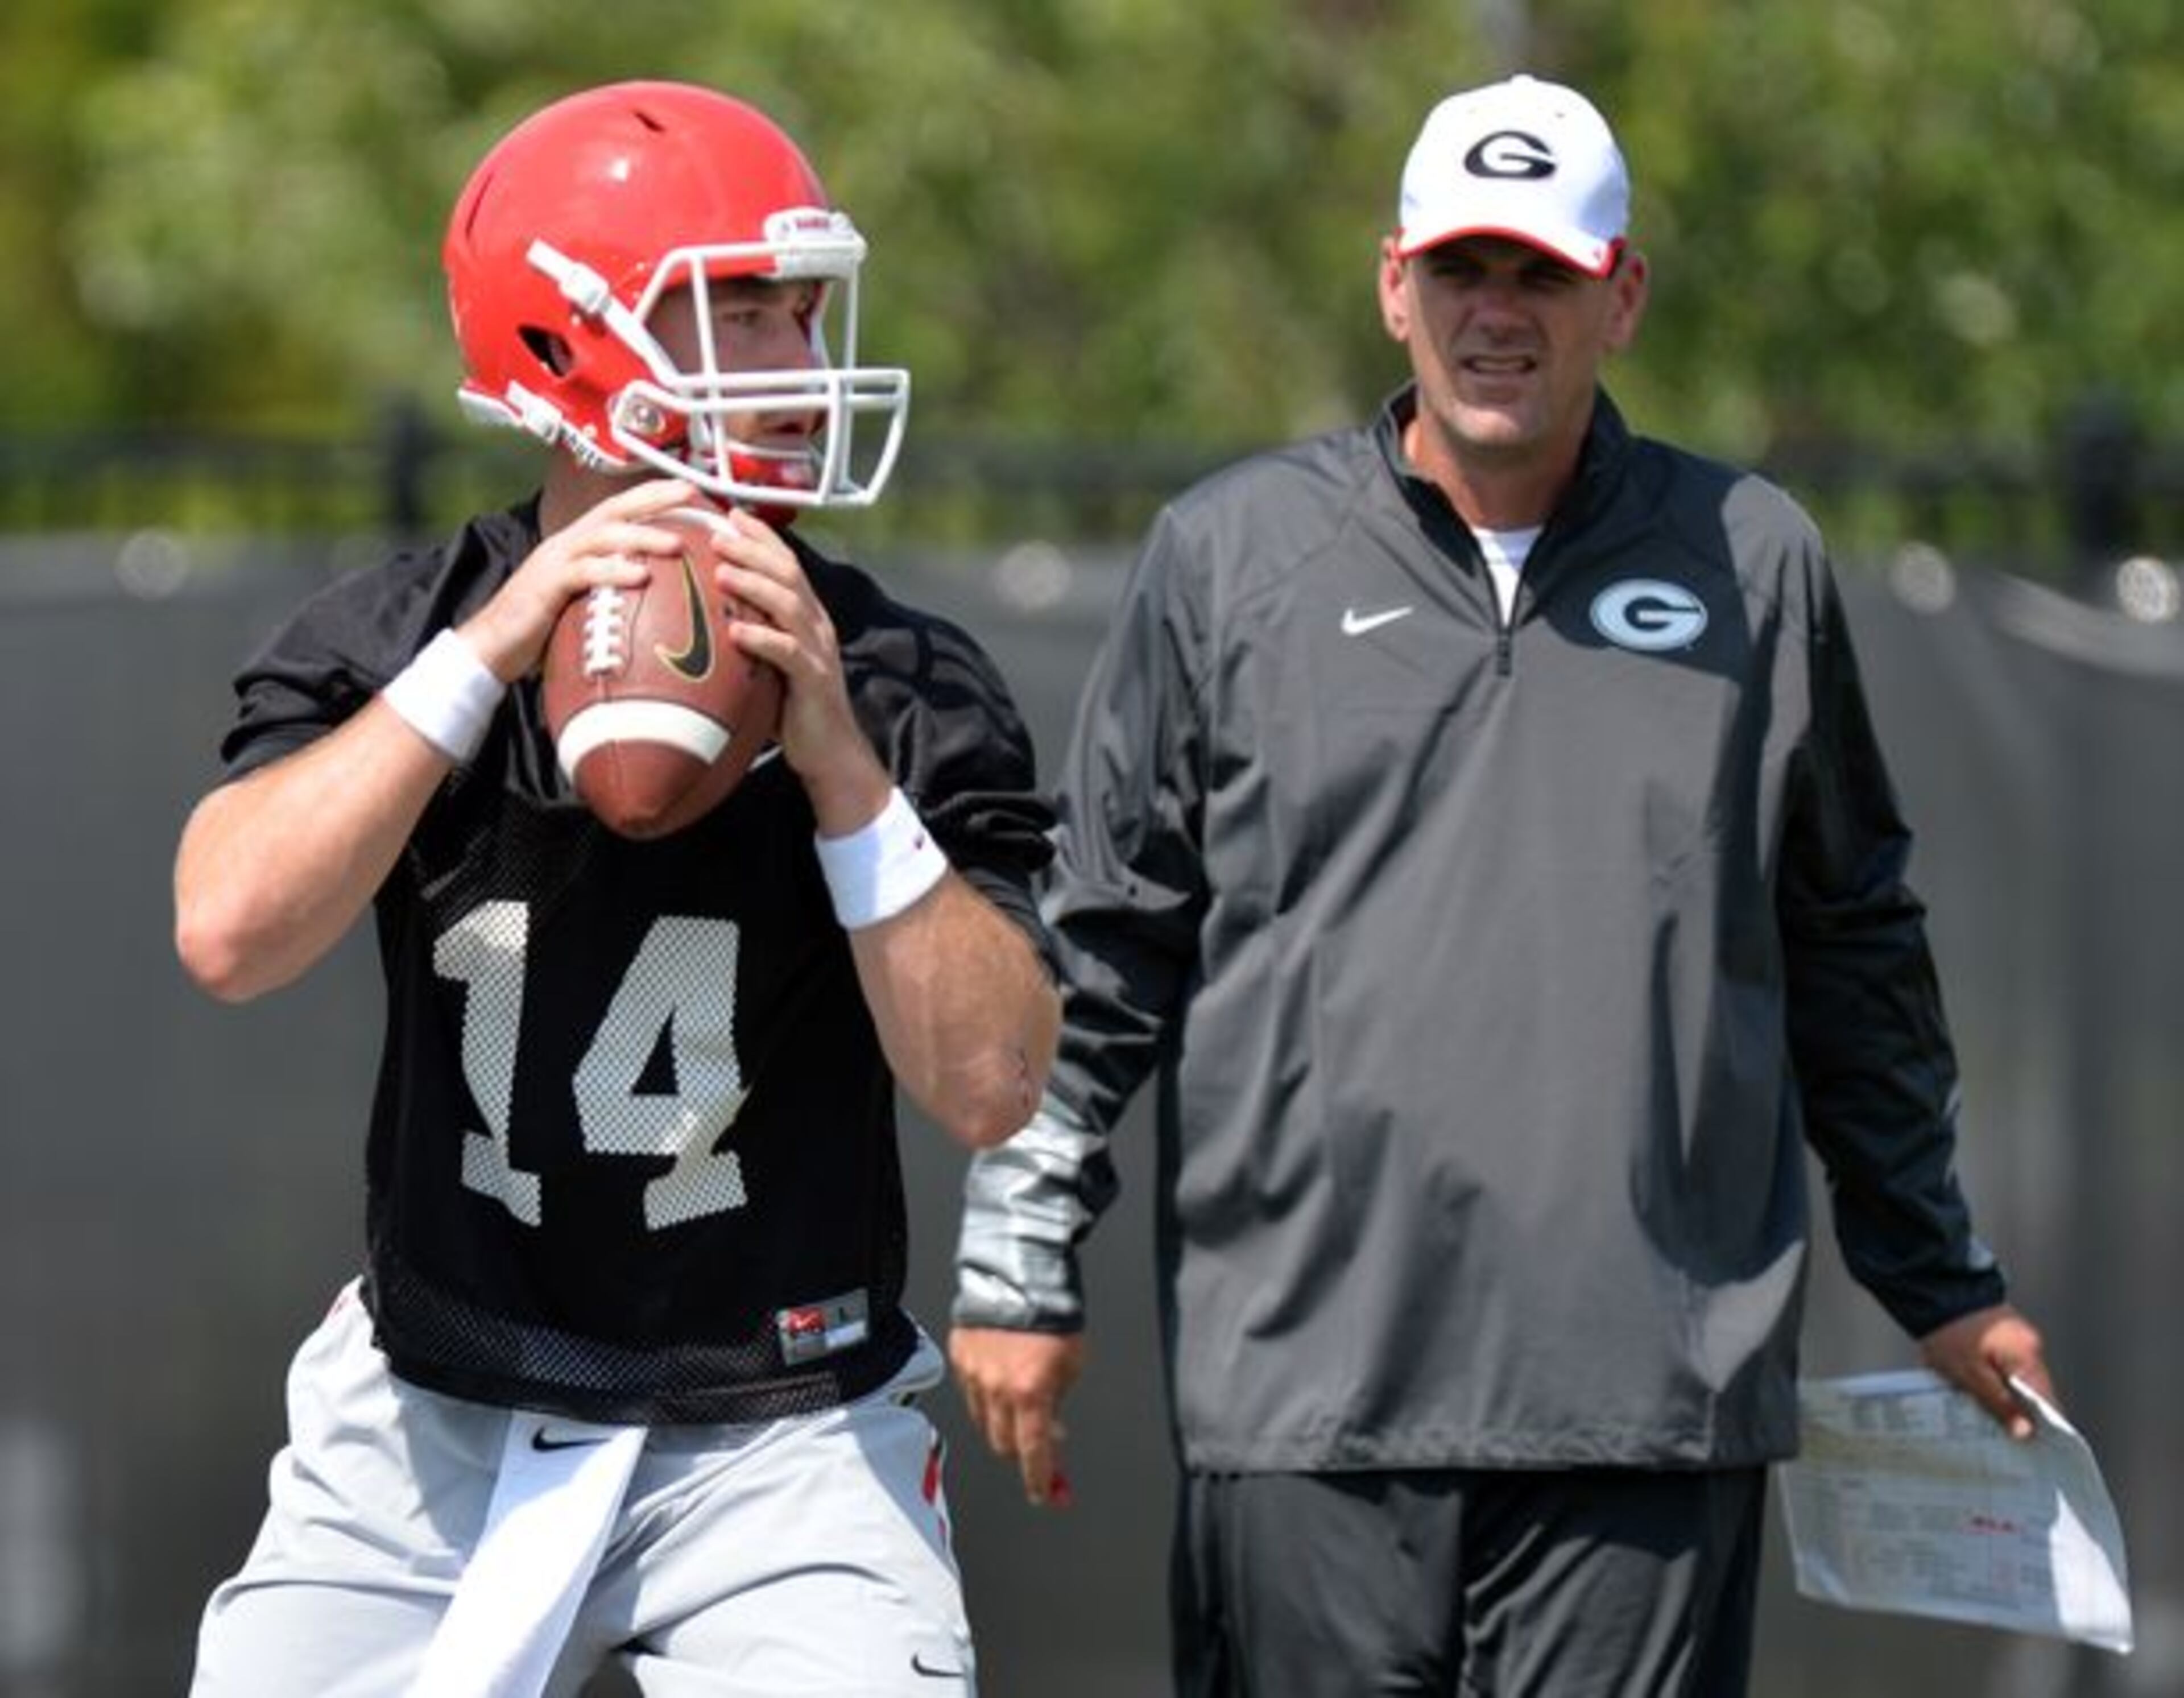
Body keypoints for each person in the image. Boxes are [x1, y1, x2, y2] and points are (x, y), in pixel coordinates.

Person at [948, 72, 2053, 1697]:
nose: (1497, 314)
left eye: (1542, 272)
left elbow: (1851, 954)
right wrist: (1015, 1268)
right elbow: (1102, 954)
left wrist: (1940, 1280)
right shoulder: (1229, 560)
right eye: (1464, 269)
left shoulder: (1756, 563)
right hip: (1305, 1407)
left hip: (1648, 1411)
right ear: (1394, 282)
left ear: (1622, 296)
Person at [175, 81, 1058, 1697]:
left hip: (781, 1429)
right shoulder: (407, 637)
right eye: (742, 311)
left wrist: (845, 766)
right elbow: (228, 930)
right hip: (437, 1398)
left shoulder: (903, 679)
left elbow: (996, 1085)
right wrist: (489, 653)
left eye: (800, 311)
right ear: (572, 345)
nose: (797, 362)